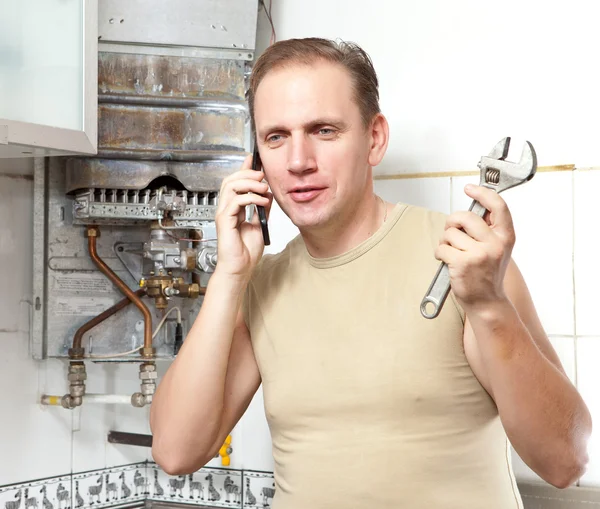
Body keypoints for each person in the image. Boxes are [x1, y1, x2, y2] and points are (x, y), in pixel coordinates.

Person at [150, 38, 592, 508]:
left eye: (323, 130)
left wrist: (488, 305)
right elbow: (176, 452)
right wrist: (228, 276)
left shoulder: (465, 262)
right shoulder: (258, 283)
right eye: (275, 137)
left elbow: (565, 461)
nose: (298, 162)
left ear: (375, 138)